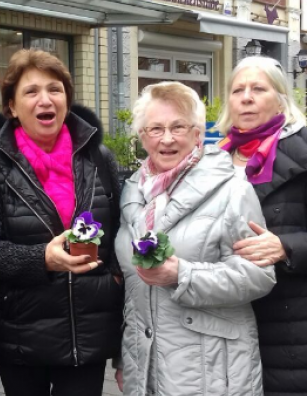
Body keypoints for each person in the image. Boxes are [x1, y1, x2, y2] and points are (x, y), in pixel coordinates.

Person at [0, 49, 123, 396]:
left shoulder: (99, 157)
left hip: (88, 335)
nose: (45, 99)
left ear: (66, 98)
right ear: (12, 107)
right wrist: (42, 259)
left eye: (55, 89)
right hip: (21, 336)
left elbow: (121, 233)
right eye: (31, 91)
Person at [114, 81, 276, 395]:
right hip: (145, 367)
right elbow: (133, 294)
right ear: (142, 136)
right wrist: (125, 358)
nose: (167, 138)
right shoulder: (133, 192)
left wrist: (183, 274)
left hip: (210, 370)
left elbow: (259, 275)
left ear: (198, 133)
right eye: (155, 128)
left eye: (179, 126)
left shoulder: (232, 190)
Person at [216, 56, 307, 396]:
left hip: (291, 324)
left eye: (258, 88)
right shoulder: (212, 159)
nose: (246, 97)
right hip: (227, 317)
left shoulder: (304, 150)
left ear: (281, 98)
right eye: (238, 90)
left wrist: (287, 247)